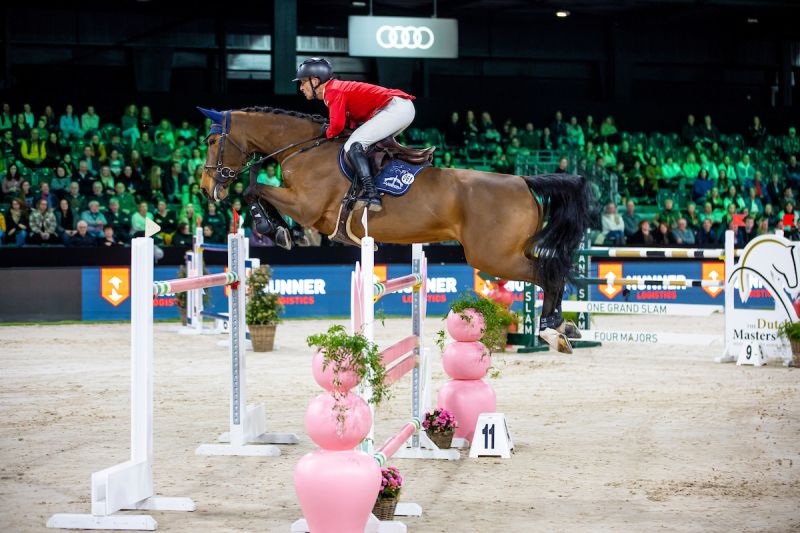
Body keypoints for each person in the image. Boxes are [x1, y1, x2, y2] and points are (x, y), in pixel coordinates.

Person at [294, 57, 415, 212]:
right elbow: (350, 123)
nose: (301, 87)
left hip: (395, 108)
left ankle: (371, 193)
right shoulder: (334, 88)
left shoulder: (332, 91)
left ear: (315, 81)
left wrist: (325, 132)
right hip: (399, 108)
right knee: (364, 145)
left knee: (353, 145)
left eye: (303, 82)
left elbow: (337, 126)